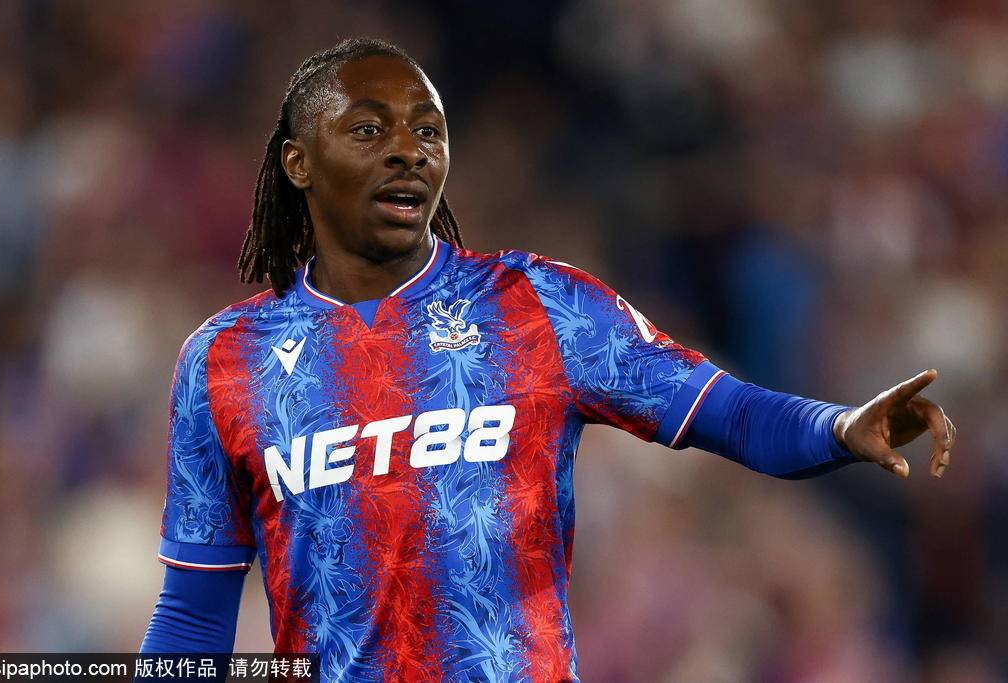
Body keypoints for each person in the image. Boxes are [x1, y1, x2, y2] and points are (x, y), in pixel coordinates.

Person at [139, 37, 956, 682]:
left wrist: (839, 426)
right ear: (299, 163)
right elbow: (193, 616)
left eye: (428, 130)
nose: (408, 151)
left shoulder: (538, 306)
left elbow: (726, 411)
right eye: (369, 129)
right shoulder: (225, 361)